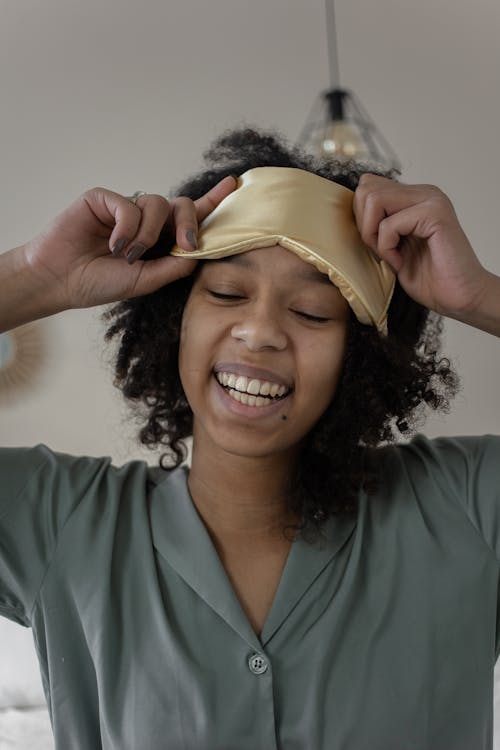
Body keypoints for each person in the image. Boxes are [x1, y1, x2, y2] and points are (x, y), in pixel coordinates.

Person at [1, 126, 499, 750]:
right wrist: (36, 275)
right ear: (175, 320)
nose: (260, 332)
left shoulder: (467, 510)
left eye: (314, 312)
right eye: (227, 293)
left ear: (360, 357)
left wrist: (480, 295)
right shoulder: (59, 524)